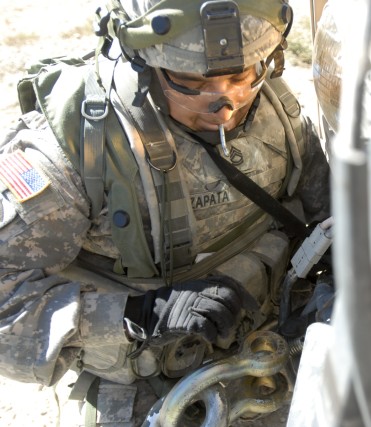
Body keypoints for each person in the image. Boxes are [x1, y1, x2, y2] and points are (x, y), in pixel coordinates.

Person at [0, 0, 331, 425]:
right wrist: (139, 315)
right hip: (150, 386)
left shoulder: (275, 105)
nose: (225, 103)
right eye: (191, 81)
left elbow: (325, 209)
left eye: (242, 75)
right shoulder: (74, 153)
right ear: (145, 68)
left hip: (273, 342)